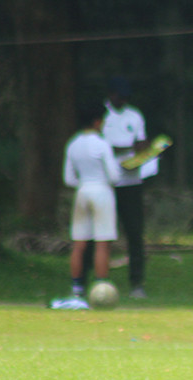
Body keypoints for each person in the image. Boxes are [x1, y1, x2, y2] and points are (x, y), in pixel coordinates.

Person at [61, 102, 122, 307]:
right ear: (97, 122)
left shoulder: (73, 143)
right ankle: (101, 286)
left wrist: (84, 183)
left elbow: (69, 179)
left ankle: (77, 288)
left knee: (79, 243)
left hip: (82, 191)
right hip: (101, 191)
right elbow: (114, 175)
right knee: (102, 242)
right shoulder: (101, 143)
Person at [102, 76, 149, 299]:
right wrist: (125, 149)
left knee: (135, 233)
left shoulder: (135, 115)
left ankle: (137, 282)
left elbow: (140, 143)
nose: (123, 100)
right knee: (104, 234)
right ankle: (101, 279)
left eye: (126, 97)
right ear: (111, 95)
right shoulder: (102, 115)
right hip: (108, 183)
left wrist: (143, 151)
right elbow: (103, 147)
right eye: (120, 96)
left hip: (131, 182)